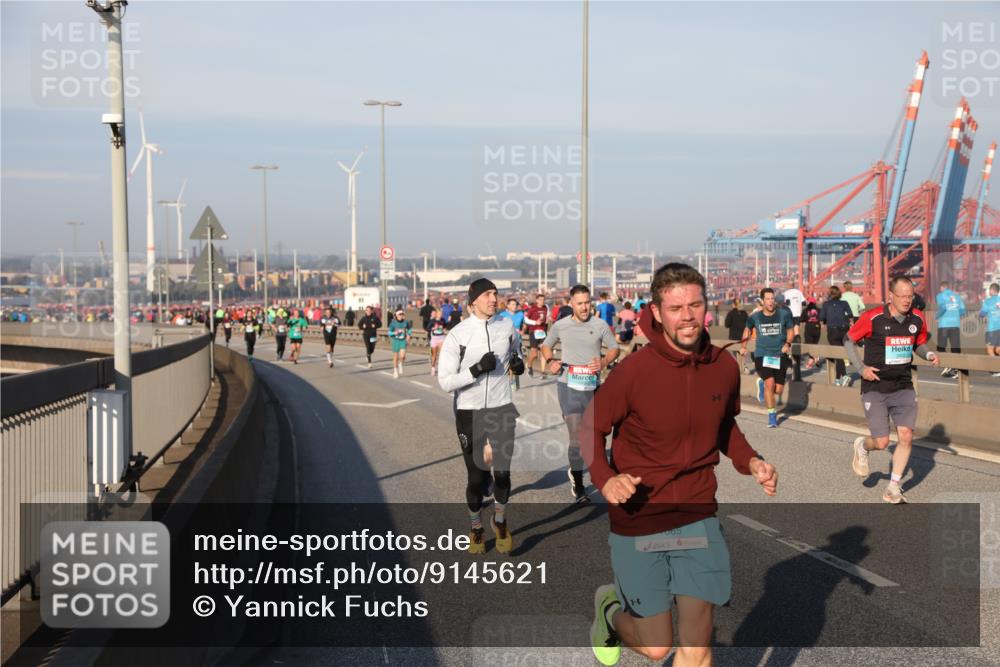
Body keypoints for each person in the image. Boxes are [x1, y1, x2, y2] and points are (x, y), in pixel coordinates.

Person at [583, 263, 777, 667]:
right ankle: (610, 612)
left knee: (695, 647)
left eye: (695, 304)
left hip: (696, 511)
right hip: (641, 515)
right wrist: (606, 479)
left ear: (706, 306)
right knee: (656, 648)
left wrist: (751, 461)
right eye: (675, 308)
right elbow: (590, 428)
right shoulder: (634, 372)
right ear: (657, 313)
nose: (687, 316)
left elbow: (724, 425)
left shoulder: (723, 367)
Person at [438, 278, 525, 554]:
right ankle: (476, 527)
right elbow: (445, 381)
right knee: (476, 479)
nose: (494, 299)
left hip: (501, 406)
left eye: (496, 294)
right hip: (469, 411)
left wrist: (518, 364)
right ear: (473, 301)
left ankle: (500, 521)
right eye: (488, 294)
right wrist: (475, 370)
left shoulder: (507, 326)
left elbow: (516, 351)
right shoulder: (458, 335)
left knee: (502, 473)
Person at [845, 275, 939, 504]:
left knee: (906, 436)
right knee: (882, 442)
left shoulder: (917, 317)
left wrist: (928, 354)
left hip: (903, 385)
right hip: (875, 387)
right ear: (891, 296)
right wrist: (861, 368)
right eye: (903, 296)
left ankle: (893, 488)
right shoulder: (873, 317)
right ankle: (862, 445)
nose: (907, 301)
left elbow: (918, 342)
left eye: (911, 296)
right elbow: (848, 340)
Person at [541, 284, 619, 503]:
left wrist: (604, 360)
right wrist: (550, 361)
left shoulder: (600, 324)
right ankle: (578, 481)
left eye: (587, 303)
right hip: (568, 385)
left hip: (592, 386)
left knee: (596, 435)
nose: (585, 308)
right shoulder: (561, 325)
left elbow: (614, 348)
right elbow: (545, 346)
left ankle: (597, 472)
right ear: (571, 304)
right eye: (580, 304)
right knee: (576, 436)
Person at [740, 288, 795, 428]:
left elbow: (790, 331)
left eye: (772, 299)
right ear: (762, 301)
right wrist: (744, 346)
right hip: (762, 354)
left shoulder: (784, 314)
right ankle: (772, 416)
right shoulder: (755, 317)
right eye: (768, 299)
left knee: (778, 390)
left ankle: (761, 384)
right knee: (770, 383)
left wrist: (788, 343)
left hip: (779, 355)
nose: (771, 302)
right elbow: (747, 329)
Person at [820, 286, 854, 385]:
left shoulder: (826, 304)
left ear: (830, 294)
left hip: (833, 331)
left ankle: (843, 376)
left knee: (838, 355)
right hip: (844, 329)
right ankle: (838, 379)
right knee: (841, 354)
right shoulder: (844, 303)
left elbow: (822, 318)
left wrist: (823, 324)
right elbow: (850, 315)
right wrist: (850, 322)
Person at [935, 280, 966, 378]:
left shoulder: (940, 295)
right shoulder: (957, 296)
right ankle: (956, 369)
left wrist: (937, 316)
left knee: (941, 347)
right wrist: (956, 316)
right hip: (955, 324)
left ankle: (948, 365)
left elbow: (943, 307)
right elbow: (962, 310)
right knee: (955, 347)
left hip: (944, 324)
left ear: (942, 288)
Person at [523, 294, 549, 377]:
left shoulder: (545, 308)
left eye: (543, 299)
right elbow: (525, 319)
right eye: (540, 299)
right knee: (534, 354)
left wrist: (548, 319)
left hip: (543, 332)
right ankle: (529, 365)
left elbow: (547, 316)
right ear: (536, 300)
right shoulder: (532, 308)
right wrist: (535, 322)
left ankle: (543, 371)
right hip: (533, 332)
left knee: (543, 351)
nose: (542, 301)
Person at [980, 283, 1000, 377]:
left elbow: (982, 314)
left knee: (990, 350)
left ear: (992, 290)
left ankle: (996, 370)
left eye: (989, 290)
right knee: (998, 349)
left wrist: (982, 315)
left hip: (992, 329)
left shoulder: (988, 301)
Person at [724, 298, 749, 370]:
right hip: (743, 337)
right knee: (742, 352)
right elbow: (748, 324)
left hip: (734, 337)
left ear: (734, 305)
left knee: (736, 353)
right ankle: (744, 366)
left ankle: (739, 368)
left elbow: (727, 324)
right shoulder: (744, 313)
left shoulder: (731, 313)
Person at [387, 308, 412, 378]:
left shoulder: (406, 322)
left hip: (403, 340)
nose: (401, 316)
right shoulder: (393, 323)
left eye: (402, 314)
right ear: (396, 315)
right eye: (400, 314)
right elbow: (389, 333)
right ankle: (395, 371)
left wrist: (409, 336)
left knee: (403, 356)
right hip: (395, 341)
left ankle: (400, 363)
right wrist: (394, 332)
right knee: (395, 357)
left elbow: (410, 329)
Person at [801, 299, 822, 369]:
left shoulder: (806, 310)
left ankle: (815, 357)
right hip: (817, 329)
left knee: (809, 346)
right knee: (814, 345)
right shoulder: (819, 310)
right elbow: (822, 318)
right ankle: (811, 361)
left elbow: (801, 319)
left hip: (809, 329)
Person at [427, 308, 448, 376]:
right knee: (434, 355)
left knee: (442, 354)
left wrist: (444, 330)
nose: (441, 314)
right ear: (436, 314)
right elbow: (428, 328)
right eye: (439, 313)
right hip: (434, 339)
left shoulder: (443, 320)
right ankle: (433, 368)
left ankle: (442, 369)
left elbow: (445, 327)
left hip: (441, 338)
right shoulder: (432, 321)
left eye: (441, 313)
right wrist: (433, 328)